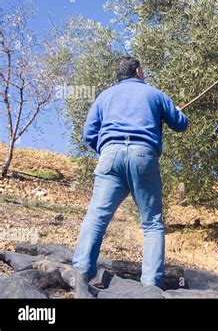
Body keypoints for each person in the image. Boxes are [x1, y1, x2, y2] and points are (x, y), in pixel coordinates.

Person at [72, 56, 188, 297]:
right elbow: (180, 124)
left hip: (110, 156)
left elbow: (88, 133)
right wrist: (178, 112)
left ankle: (81, 273)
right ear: (137, 72)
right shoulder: (155, 94)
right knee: (152, 223)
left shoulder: (104, 96)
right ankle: (150, 286)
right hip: (143, 156)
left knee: (96, 217)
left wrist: (106, 150)